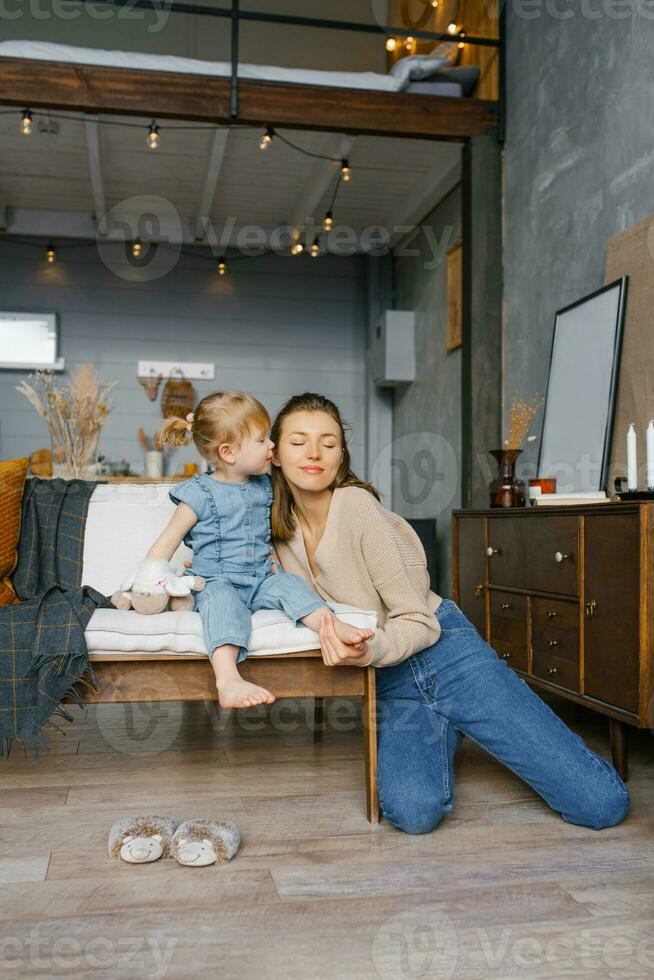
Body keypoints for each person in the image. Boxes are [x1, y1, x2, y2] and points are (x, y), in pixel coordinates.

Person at [269, 391, 630, 834]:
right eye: (298, 441)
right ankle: (449, 722)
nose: (313, 454)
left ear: (341, 455)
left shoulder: (358, 509)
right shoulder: (274, 533)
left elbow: (418, 621)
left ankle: (470, 708)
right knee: (414, 815)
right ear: (273, 454)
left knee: (601, 806)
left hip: (447, 654)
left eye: (328, 442)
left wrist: (371, 649)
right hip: (389, 680)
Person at [149, 390, 373, 709]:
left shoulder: (264, 485)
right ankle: (228, 679)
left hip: (259, 579)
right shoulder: (198, 493)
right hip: (217, 581)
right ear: (228, 453)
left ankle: (332, 625)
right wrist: (152, 581)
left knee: (291, 585)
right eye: (261, 439)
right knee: (224, 605)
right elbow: (165, 544)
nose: (271, 445)